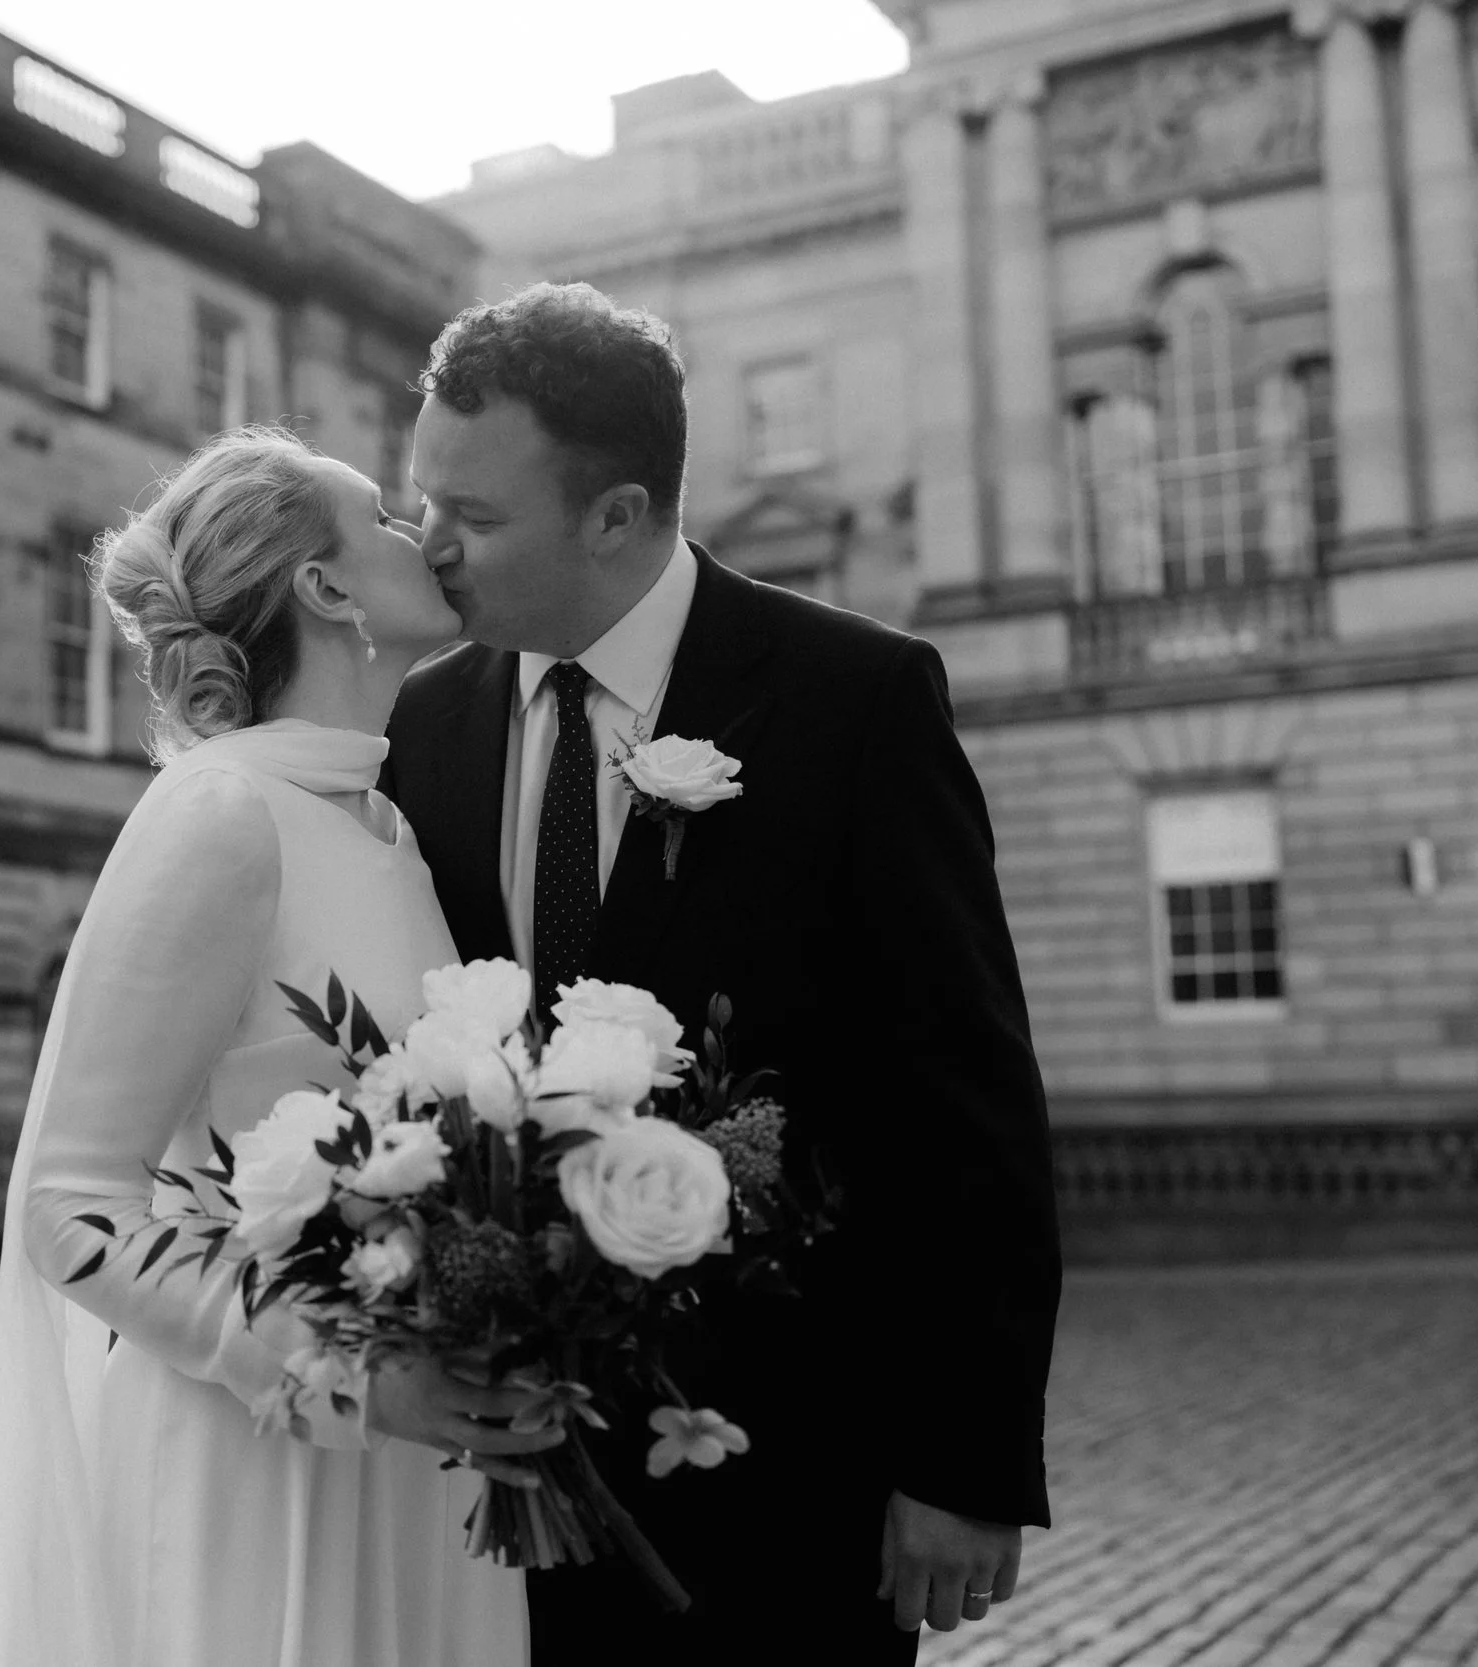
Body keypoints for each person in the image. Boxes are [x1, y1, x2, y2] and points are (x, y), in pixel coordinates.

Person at [380, 282, 1064, 1664]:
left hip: (792, 1480)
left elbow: (965, 1096)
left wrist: (968, 1459)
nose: (430, 547)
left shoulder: (854, 698)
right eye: (420, 501)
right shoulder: (423, 717)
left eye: (477, 517)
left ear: (618, 514)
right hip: (492, 1498)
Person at [0, 429, 551, 1667]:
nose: (423, 535)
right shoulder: (221, 815)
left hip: (407, 1470)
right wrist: (340, 1363)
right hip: (259, 1458)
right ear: (328, 590)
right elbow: (68, 1204)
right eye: (386, 523)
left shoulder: (385, 826)